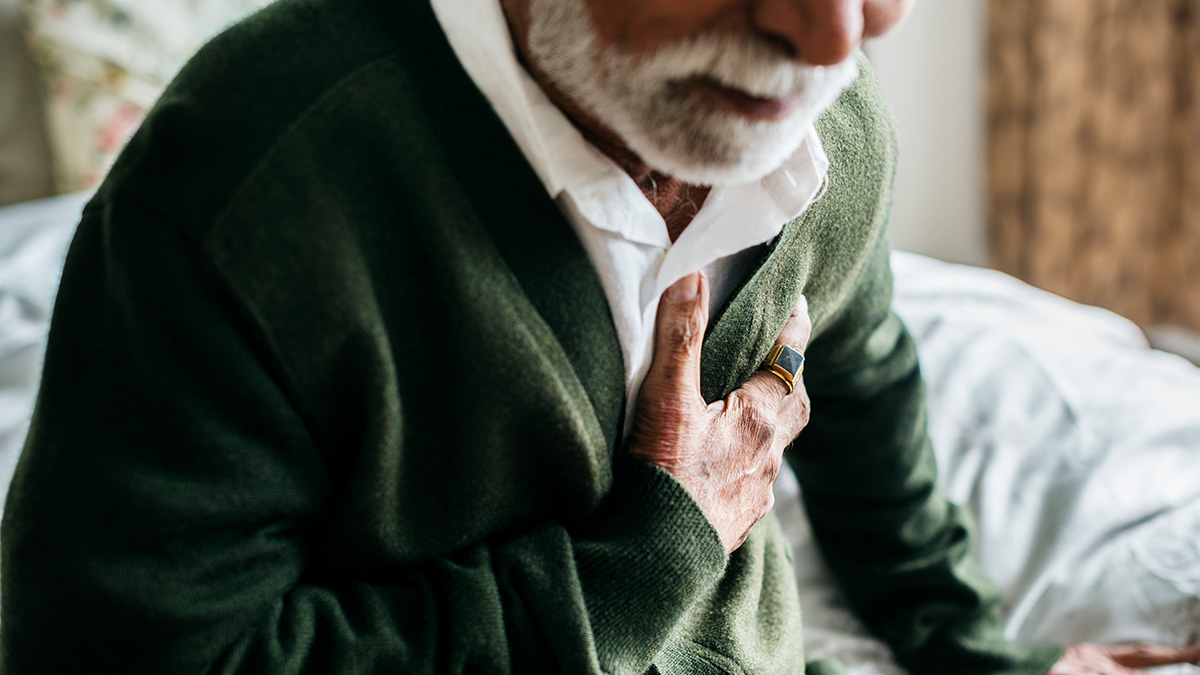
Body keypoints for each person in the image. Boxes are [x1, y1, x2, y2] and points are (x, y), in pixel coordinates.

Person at [1, 0, 1197, 672]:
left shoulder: (842, 135)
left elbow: (869, 390)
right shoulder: (244, 182)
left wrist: (972, 659)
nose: (839, 38)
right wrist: (641, 565)